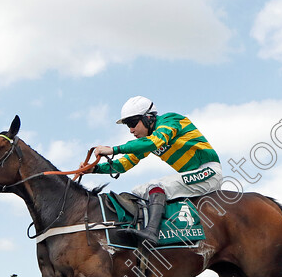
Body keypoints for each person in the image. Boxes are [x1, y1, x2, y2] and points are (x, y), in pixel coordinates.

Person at [93, 96, 222, 244]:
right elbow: (124, 164)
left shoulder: (170, 120)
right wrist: (93, 169)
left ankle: (151, 232)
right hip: (191, 176)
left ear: (148, 118)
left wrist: (114, 149)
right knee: (138, 191)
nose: (131, 130)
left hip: (208, 172)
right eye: (127, 125)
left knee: (157, 185)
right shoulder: (148, 140)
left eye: (132, 123)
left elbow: (155, 142)